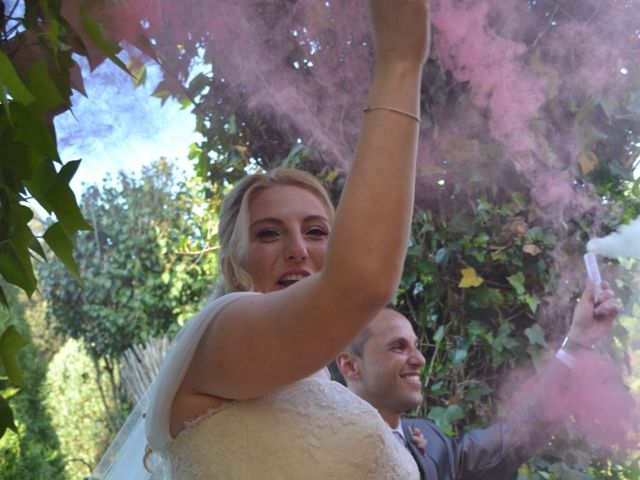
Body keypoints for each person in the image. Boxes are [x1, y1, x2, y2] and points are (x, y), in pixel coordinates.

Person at [140, 1, 431, 478]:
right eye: (269, 233)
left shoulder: (333, 394)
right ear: (236, 262)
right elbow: (359, 282)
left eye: (317, 232)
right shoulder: (217, 337)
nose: (298, 248)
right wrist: (401, 60)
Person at [335, 280, 621, 480]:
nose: (419, 359)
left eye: (416, 346)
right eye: (398, 347)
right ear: (350, 365)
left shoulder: (427, 438)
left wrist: (577, 342)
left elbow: (514, 439)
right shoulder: (323, 445)